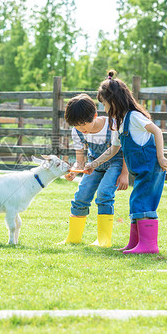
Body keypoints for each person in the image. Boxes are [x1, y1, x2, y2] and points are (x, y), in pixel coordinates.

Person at [84, 70, 167, 254]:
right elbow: (112, 150)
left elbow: (157, 131)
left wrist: (161, 157)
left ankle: (149, 246)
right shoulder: (119, 122)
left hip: (152, 167)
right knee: (136, 201)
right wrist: (93, 164)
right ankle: (136, 243)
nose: (104, 109)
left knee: (142, 201)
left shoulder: (135, 117)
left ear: (114, 101)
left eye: (104, 104)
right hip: (141, 170)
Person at [59, 93, 129, 247]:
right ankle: (73, 238)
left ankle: (104, 240)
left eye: (84, 124)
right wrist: (74, 171)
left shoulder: (112, 125)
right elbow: (80, 161)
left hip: (115, 164)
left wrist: (125, 173)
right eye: (77, 125)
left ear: (95, 115)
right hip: (92, 166)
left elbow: (124, 150)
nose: (81, 128)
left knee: (104, 194)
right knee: (80, 196)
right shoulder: (77, 131)